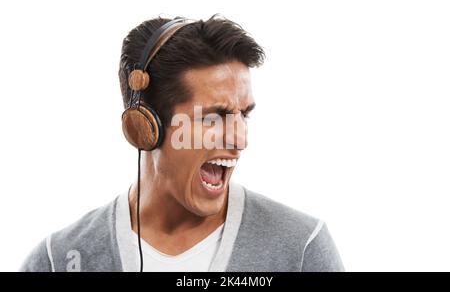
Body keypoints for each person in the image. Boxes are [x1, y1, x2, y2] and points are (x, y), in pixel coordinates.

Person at [20, 15, 344, 272]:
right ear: (145, 127)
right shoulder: (59, 260)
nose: (240, 139)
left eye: (243, 115)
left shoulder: (301, 248)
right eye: (213, 117)